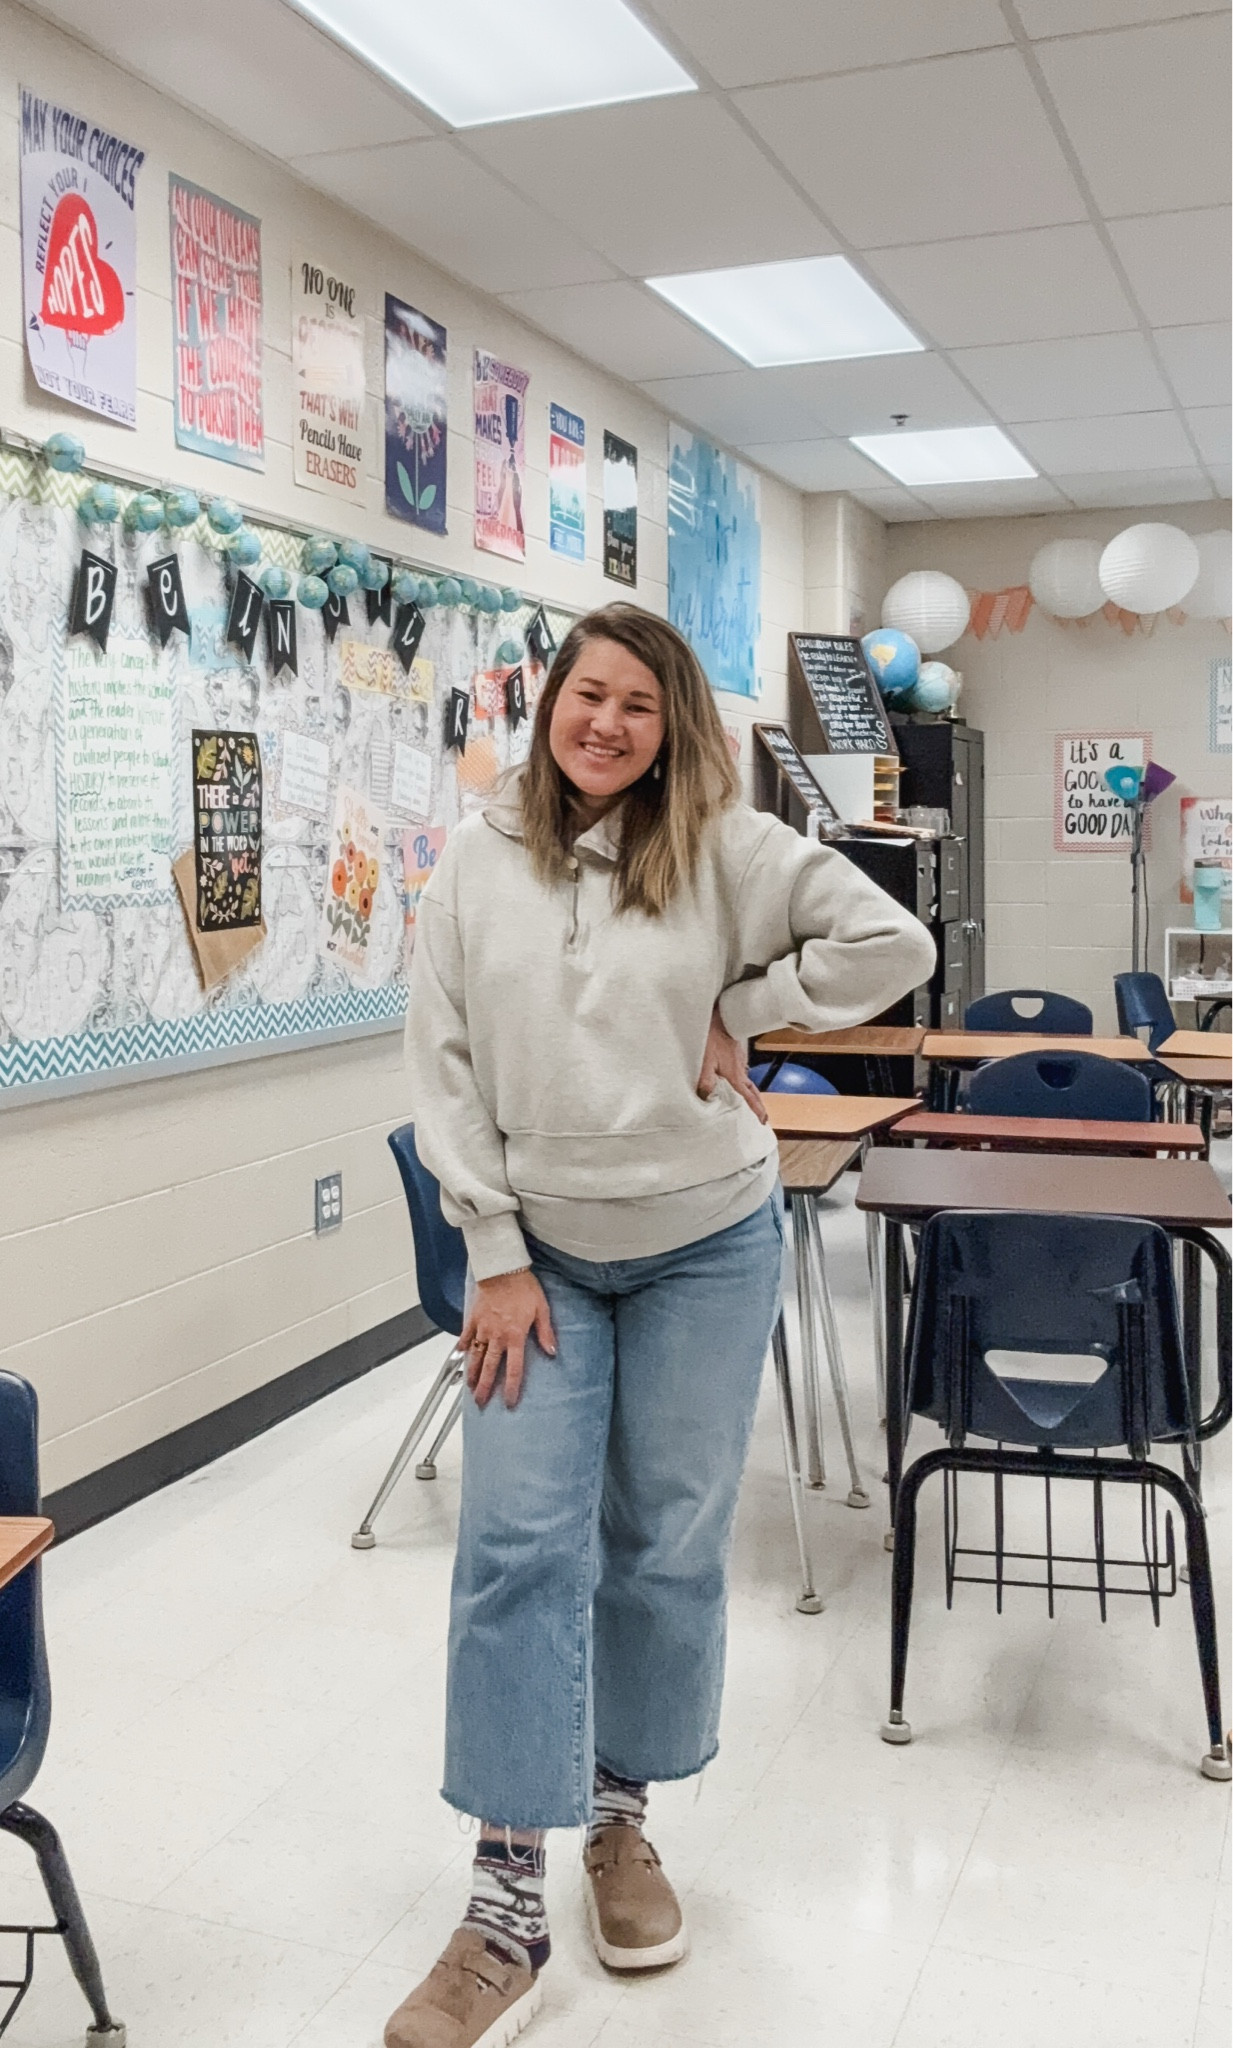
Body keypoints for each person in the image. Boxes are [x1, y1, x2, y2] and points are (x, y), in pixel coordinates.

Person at [385, 604, 935, 2048]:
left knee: (666, 1541)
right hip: (539, 1264)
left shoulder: (725, 846)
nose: (608, 724)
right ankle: (505, 1898)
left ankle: (620, 1818)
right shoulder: (474, 862)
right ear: (550, 703)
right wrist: (491, 1250)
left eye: (640, 703)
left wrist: (748, 1003)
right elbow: (439, 1068)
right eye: (588, 695)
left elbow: (893, 940)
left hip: (705, 1245)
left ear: (671, 723)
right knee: (514, 1547)